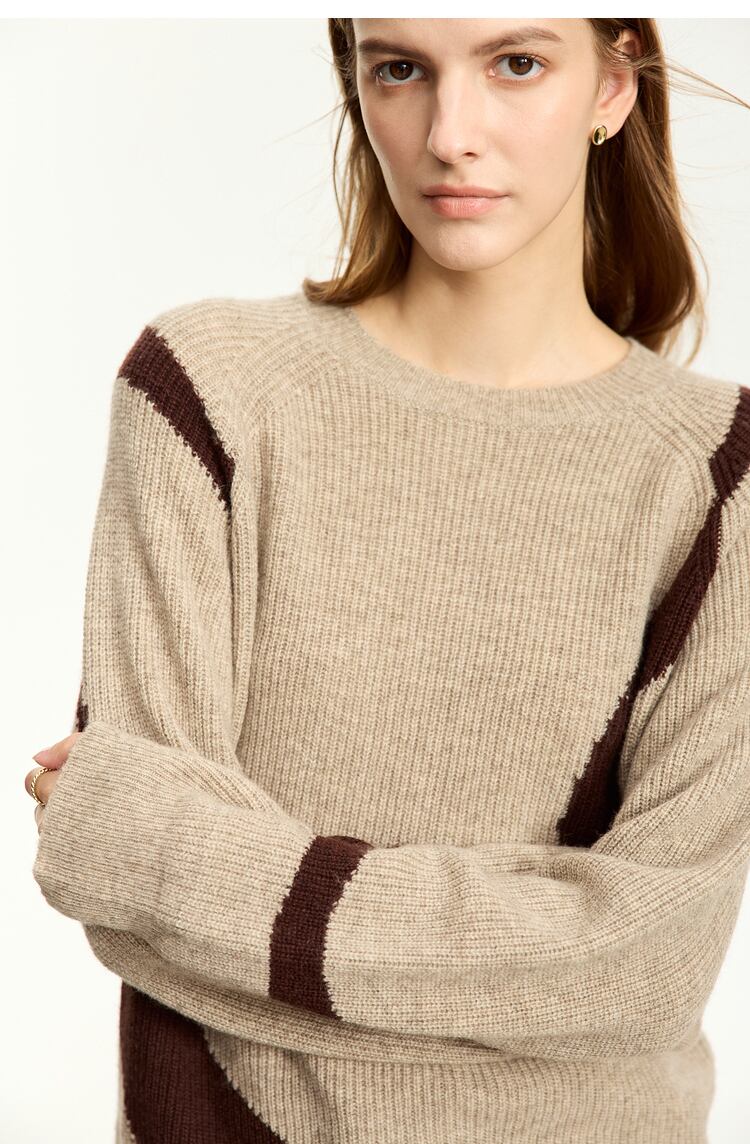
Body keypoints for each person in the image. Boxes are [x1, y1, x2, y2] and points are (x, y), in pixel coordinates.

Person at [26, 18, 750, 1143]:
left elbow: (641, 966)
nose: (450, 134)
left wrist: (169, 855)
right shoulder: (208, 392)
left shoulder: (718, 474)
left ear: (613, 86)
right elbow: (126, 907)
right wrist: (526, 969)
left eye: (517, 64)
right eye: (399, 69)